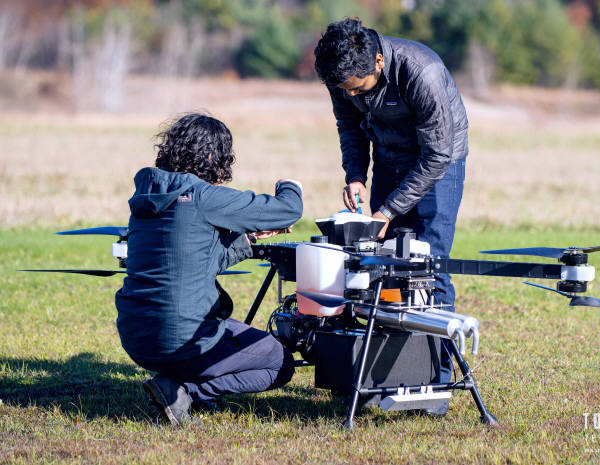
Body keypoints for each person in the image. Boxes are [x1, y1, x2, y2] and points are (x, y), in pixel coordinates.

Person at [314, 18, 468, 414]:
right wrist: (354, 175)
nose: (349, 94)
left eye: (356, 88)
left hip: (439, 163)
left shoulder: (423, 72)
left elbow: (436, 155)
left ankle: (436, 379)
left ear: (379, 62)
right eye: (343, 89)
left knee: (428, 264)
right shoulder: (341, 72)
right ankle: (386, 373)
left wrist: (386, 210)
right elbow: (348, 125)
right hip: (386, 158)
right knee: (381, 265)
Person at [115, 113, 303, 425]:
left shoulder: (149, 197)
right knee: (279, 362)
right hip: (181, 338)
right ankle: (182, 390)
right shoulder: (203, 195)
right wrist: (290, 185)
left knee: (229, 334)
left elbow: (198, 258)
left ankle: (177, 382)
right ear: (213, 156)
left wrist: (247, 239)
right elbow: (288, 209)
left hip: (136, 335)